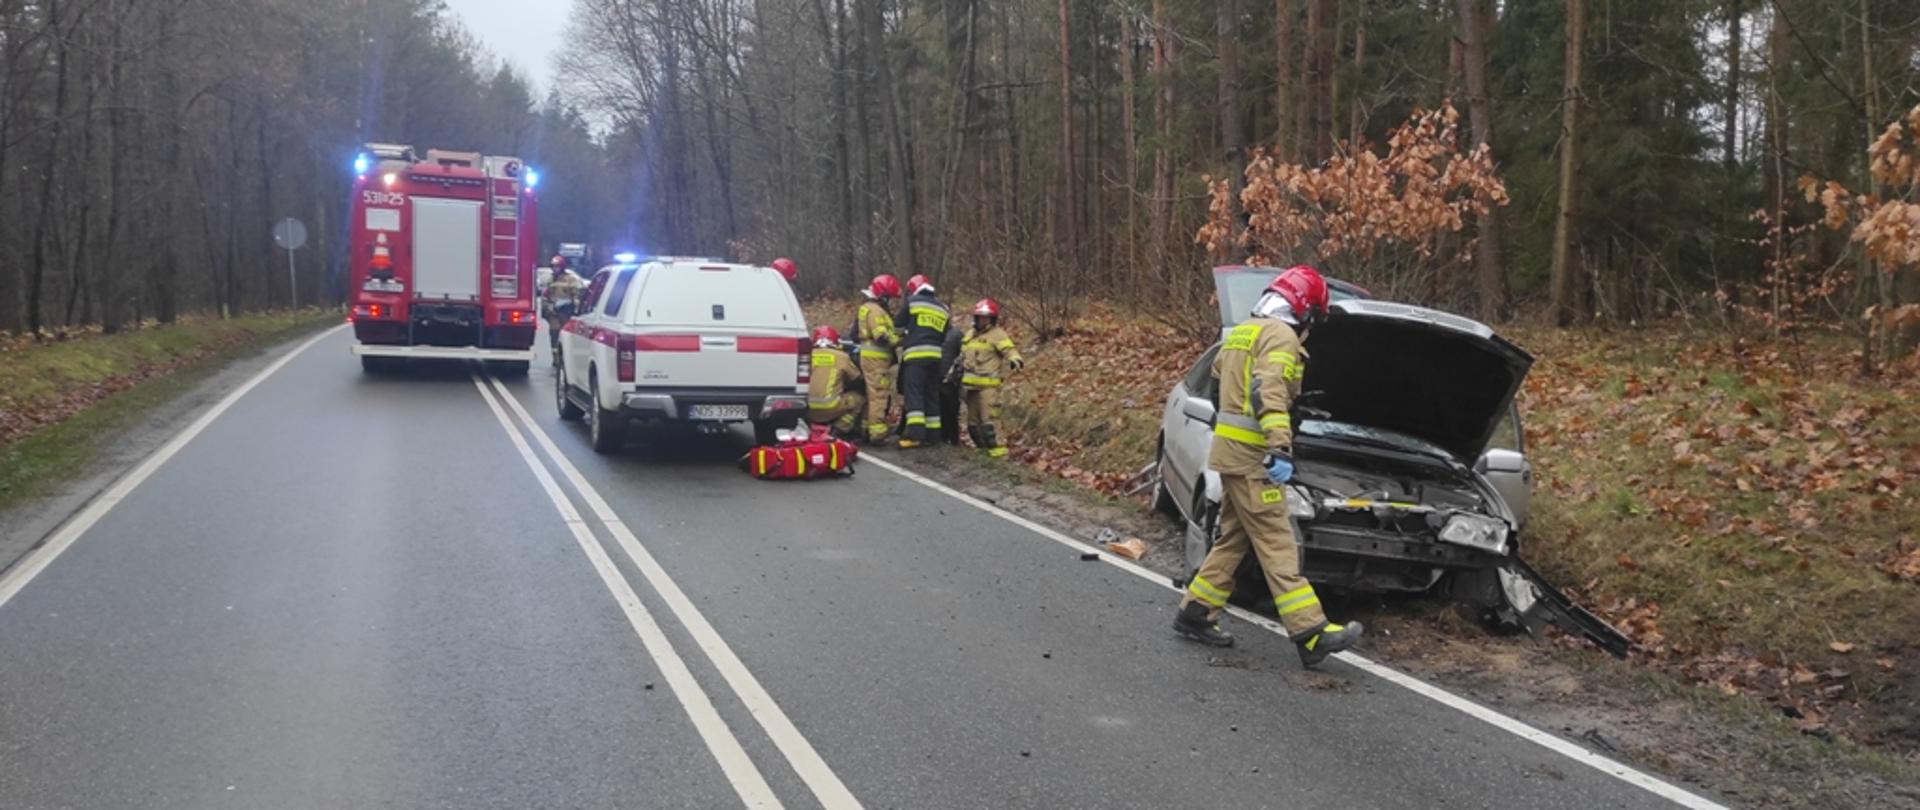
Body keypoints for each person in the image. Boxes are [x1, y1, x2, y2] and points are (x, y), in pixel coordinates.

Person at [1172, 265, 1363, 669]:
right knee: (1278, 541)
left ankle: (1195, 610)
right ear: (1304, 307)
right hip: (1255, 457)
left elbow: (1222, 381)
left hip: (1228, 454)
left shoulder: (1243, 331)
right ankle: (1310, 632)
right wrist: (1280, 446)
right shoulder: (1282, 336)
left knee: (1234, 539)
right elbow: (1267, 390)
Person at [957, 298, 1024, 458]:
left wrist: (1016, 360)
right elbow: (962, 355)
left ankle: (998, 451)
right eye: (980, 317)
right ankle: (982, 450)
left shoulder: (998, 334)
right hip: (969, 387)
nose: (982, 320)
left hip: (988, 387)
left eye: (986, 317)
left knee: (989, 420)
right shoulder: (969, 335)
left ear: (992, 319)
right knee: (972, 424)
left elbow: (1009, 349)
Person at [894, 275, 949, 448]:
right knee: (931, 394)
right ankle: (934, 435)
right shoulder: (943, 308)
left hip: (916, 356)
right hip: (936, 357)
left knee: (914, 393)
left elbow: (897, 327)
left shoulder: (913, 302)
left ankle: (915, 435)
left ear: (912, 289)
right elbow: (945, 333)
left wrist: (908, 333)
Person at [853, 275, 903, 444]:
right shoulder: (876, 311)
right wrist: (898, 340)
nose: (890, 302)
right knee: (879, 395)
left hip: (870, 359)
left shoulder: (867, 308)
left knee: (871, 394)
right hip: (877, 360)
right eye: (889, 298)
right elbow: (881, 335)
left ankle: (866, 428)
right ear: (883, 295)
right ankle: (877, 432)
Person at [806, 326, 865, 437]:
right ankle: (838, 429)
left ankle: (810, 427)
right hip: (830, 407)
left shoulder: (807, 355)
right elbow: (857, 379)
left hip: (807, 409)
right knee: (859, 399)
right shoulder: (841, 357)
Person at [937, 323, 965, 445]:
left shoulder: (956, 334)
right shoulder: (935, 333)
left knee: (951, 411)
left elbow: (963, 355)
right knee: (940, 409)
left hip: (949, 379)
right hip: (936, 376)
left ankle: (953, 439)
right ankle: (942, 437)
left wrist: (955, 374)